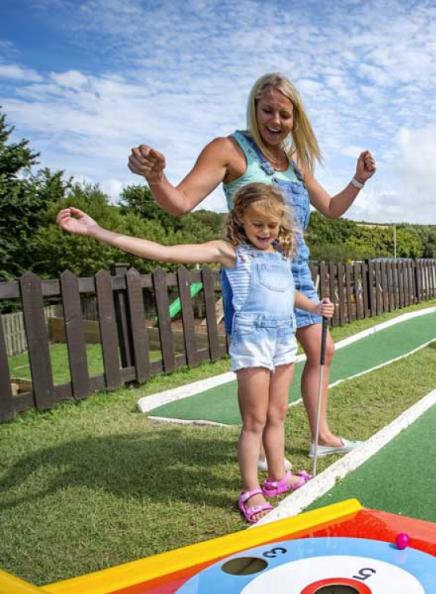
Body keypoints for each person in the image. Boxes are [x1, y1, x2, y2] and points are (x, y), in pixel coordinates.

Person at [127, 73, 374, 465]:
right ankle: (258, 445)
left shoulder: (295, 161)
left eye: (285, 114)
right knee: (262, 361)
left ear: (297, 119)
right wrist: (156, 178)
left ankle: (320, 436)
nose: (276, 121)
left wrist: (358, 181)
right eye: (268, 111)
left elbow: (331, 209)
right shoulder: (228, 149)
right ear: (254, 108)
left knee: (322, 350)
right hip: (255, 275)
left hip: (295, 269)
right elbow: (180, 203)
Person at [58, 183, 333, 523]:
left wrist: (315, 306)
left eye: (272, 225)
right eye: (257, 224)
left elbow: (288, 294)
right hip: (253, 344)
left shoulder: (279, 255)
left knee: (277, 415)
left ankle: (278, 477)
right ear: (241, 221)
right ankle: (251, 489)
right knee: (255, 421)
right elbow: (165, 252)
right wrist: (97, 231)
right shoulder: (229, 252)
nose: (265, 231)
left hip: (282, 342)